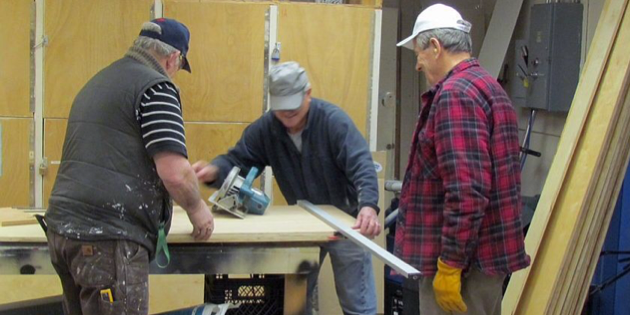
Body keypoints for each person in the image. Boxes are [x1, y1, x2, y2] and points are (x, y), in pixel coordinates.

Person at [44, 18, 215, 315]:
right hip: (106, 239)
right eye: (179, 65)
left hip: (64, 232)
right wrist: (197, 209)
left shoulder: (99, 81)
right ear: (173, 58)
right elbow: (175, 173)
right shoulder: (156, 86)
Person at [193, 61, 380, 315]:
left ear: (308, 94)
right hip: (303, 223)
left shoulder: (334, 122)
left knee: (357, 303)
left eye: (293, 108)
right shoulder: (268, 128)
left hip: (346, 222)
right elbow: (239, 160)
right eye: (281, 110)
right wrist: (215, 171)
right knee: (293, 303)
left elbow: (362, 164)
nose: (287, 117)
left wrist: (368, 206)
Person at [394, 4, 530, 315]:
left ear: (436, 47)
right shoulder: (487, 87)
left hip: (466, 266)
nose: (418, 65)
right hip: (481, 260)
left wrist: (450, 266)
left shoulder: (456, 95)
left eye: (419, 54)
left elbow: (467, 191)